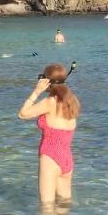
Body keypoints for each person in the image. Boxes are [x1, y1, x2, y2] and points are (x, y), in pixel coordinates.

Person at [18, 64, 80, 204]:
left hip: (50, 157)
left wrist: (36, 91)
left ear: (47, 81)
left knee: (46, 208)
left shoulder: (50, 102)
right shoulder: (72, 101)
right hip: (67, 158)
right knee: (64, 207)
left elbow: (22, 114)